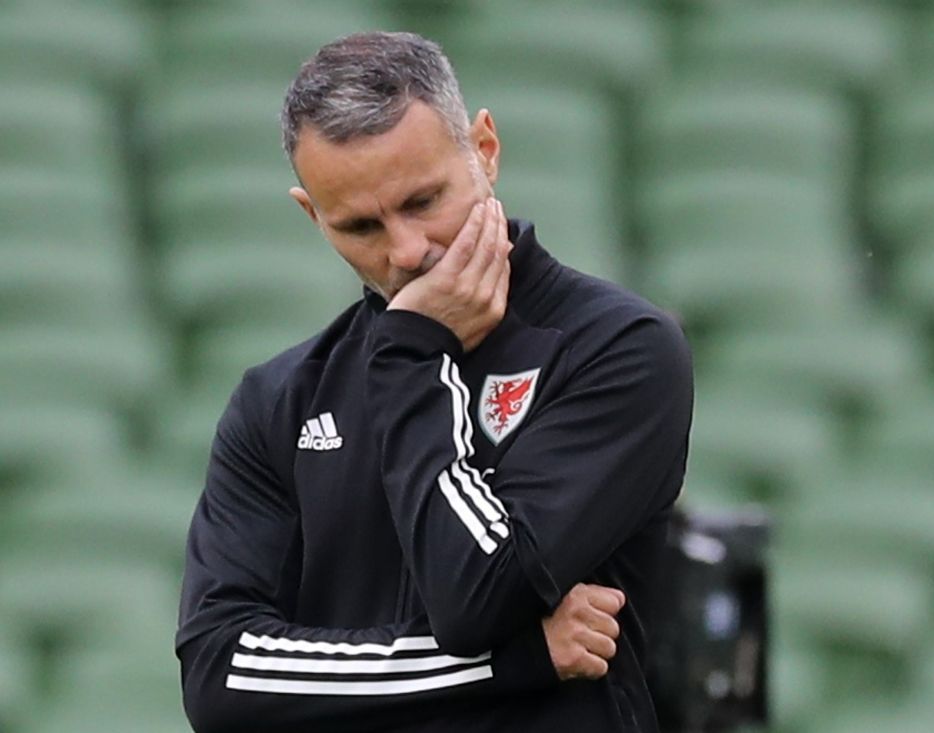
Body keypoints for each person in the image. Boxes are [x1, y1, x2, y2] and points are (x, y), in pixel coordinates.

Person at [176, 31, 693, 733]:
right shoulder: (279, 399)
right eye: (359, 225)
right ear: (311, 214)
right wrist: (507, 661)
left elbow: (476, 595)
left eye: (423, 201)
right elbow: (219, 675)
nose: (407, 251)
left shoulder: (618, 349)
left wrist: (413, 356)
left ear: (484, 149)